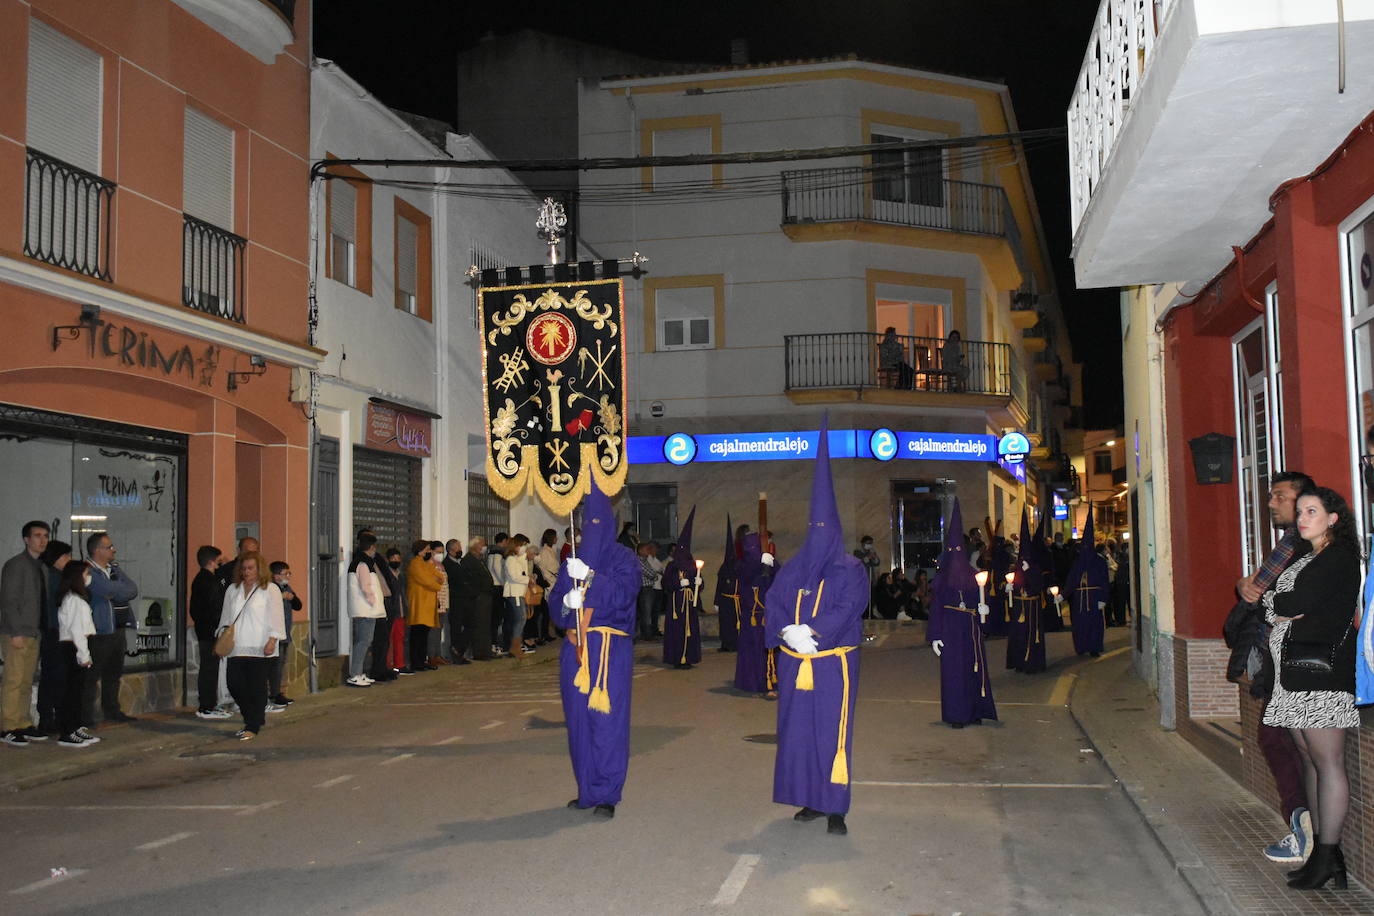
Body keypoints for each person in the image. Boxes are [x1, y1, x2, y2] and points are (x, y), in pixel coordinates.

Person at [765, 418, 867, 836]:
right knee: (799, 731)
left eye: (824, 528)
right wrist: (787, 631)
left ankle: (835, 803)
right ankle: (809, 796)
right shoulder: (794, 567)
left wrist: (814, 632)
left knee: (831, 730)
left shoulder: (851, 567)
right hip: (795, 664)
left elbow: (850, 605)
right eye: (813, 528)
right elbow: (774, 600)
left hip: (832, 664)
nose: (818, 534)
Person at [1264, 485, 1362, 891]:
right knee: (1308, 760)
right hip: (1294, 676)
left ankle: (1327, 853)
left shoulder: (1338, 558)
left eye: (1312, 511)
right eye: (1300, 511)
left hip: (1320, 676)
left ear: (1333, 519)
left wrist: (1276, 602)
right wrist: (1277, 601)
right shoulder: (1311, 557)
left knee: (1327, 762)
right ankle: (1325, 857)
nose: (1302, 518)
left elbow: (1288, 603)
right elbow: (1277, 602)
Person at [1227, 471, 1315, 866]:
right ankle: (1307, 828)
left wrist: (1250, 586)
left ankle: (1305, 829)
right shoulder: (1293, 543)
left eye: (1279, 496)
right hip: (1290, 658)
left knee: (1283, 742)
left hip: (1295, 659)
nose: (1271, 503)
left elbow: (1260, 592)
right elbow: (1257, 589)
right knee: (1291, 744)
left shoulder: (1304, 544)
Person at [549, 481, 640, 818]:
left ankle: (608, 793)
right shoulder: (572, 559)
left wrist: (590, 579)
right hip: (575, 649)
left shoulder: (623, 558)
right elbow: (555, 606)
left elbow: (624, 593)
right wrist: (565, 602)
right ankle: (587, 789)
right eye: (589, 524)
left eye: (599, 525)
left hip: (608, 651)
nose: (593, 530)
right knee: (578, 723)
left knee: (607, 723)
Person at [927, 500, 997, 728]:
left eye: (958, 550)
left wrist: (983, 609)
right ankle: (956, 714)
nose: (955, 554)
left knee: (973, 668)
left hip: (970, 629)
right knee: (954, 673)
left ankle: (975, 710)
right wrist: (935, 636)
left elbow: (980, 598)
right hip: (950, 630)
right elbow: (936, 608)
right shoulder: (941, 580)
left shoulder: (972, 575)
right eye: (951, 550)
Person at [217, 551, 285, 741]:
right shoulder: (233, 589)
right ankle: (253, 717)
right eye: (244, 568)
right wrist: (222, 638)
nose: (246, 572)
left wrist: (272, 640)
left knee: (256, 687)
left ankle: (252, 725)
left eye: (251, 568)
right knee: (234, 684)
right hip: (237, 645)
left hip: (259, 644)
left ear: (259, 568)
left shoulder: (270, 589)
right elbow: (226, 617)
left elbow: (277, 617)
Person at [1, 520, 51, 746]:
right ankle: (8, 725)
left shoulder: (39, 567)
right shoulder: (16, 565)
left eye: (45, 536)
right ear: (26, 539)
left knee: (26, 680)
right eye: (38, 536)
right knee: (13, 679)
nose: (42, 540)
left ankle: (22, 722)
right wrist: (15, 631)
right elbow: (9, 601)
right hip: (17, 632)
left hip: (34, 632)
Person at [84, 531, 139, 726]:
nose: (113, 550)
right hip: (100, 630)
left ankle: (112, 710)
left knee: (113, 674)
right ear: (97, 550)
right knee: (92, 675)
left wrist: (113, 590)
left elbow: (132, 589)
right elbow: (104, 590)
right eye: (109, 547)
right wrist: (116, 590)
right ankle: (85, 716)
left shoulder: (113, 568)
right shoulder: (88, 571)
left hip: (119, 628)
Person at [54, 558, 99, 747]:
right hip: (73, 647)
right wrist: (84, 656)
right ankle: (67, 731)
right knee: (71, 692)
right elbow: (77, 631)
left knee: (77, 690)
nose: (88, 578)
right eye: (86, 574)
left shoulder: (77, 599)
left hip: (75, 646)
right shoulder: (74, 600)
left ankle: (74, 727)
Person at [36, 539, 73, 735]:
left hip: (58, 631)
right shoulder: (51, 576)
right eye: (66, 556)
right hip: (54, 631)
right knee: (54, 677)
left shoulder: (57, 575)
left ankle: (52, 717)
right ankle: (49, 718)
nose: (69, 559)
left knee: (55, 677)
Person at [190, 545, 231, 719]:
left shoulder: (201, 578)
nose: (220, 564)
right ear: (212, 561)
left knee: (210, 668)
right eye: (218, 561)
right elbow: (215, 607)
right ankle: (207, 706)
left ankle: (209, 704)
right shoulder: (208, 581)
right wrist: (219, 628)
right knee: (209, 669)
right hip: (210, 631)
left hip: (205, 629)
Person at [733, 533, 775, 695]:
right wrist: (761, 563)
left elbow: (778, 579)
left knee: (768, 651)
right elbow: (748, 576)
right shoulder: (742, 565)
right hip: (752, 617)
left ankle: (770, 681)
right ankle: (753, 682)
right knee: (753, 652)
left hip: (767, 615)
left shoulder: (769, 562)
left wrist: (772, 565)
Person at [1005, 511, 1047, 674]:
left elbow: (1037, 586)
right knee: (1018, 634)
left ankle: (1032, 662)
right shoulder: (1015, 568)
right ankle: (1019, 661)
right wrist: (1008, 587)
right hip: (1018, 607)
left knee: (1031, 634)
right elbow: (1012, 584)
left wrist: (1029, 572)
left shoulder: (1034, 567)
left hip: (1031, 608)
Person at [661, 508, 703, 669]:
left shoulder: (693, 566)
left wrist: (698, 582)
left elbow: (699, 584)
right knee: (677, 631)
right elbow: (666, 584)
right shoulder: (672, 566)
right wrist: (679, 584)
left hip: (689, 605)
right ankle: (677, 658)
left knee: (690, 629)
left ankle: (689, 657)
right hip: (676, 605)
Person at [1067, 511, 1110, 658]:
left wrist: (1103, 599)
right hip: (1080, 599)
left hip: (1094, 598)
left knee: (1094, 624)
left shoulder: (1100, 562)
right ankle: (1081, 647)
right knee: (1080, 625)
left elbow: (1105, 581)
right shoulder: (1078, 563)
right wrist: (1062, 595)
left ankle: (1094, 647)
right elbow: (1072, 580)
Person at [345, 534, 386, 687]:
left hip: (366, 609)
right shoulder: (363, 564)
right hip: (366, 609)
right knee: (363, 641)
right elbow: (365, 586)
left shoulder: (361, 562)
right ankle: (355, 674)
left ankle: (359, 672)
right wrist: (372, 601)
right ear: (371, 547)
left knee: (364, 641)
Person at [455, 537, 497, 661]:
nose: (484, 547)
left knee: (485, 625)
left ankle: (486, 650)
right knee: (479, 625)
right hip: (478, 597)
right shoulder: (468, 560)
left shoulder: (480, 559)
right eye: (482, 545)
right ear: (475, 546)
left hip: (486, 596)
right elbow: (470, 580)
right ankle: (479, 652)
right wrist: (477, 592)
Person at [267, 561, 300, 709]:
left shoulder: (287, 588)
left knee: (281, 665)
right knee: (274, 666)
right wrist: (280, 596)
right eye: (285, 573)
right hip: (274, 634)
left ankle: (278, 692)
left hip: (285, 632)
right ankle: (273, 694)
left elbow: (299, 605)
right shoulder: (270, 588)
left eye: (289, 573)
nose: (288, 576)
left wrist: (292, 598)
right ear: (276, 576)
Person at [406, 539, 443, 672]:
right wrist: (437, 585)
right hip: (419, 603)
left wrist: (435, 581)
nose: (429, 552)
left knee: (424, 635)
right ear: (420, 550)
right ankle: (416, 662)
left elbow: (439, 576)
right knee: (417, 634)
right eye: (427, 549)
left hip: (427, 604)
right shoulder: (415, 564)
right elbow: (428, 581)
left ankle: (422, 660)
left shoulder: (425, 564)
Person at [375, 547, 409, 678]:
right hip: (390, 610)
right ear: (388, 560)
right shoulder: (386, 575)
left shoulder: (401, 575)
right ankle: (388, 665)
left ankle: (399, 664)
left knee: (399, 639)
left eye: (398, 558)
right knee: (388, 639)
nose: (396, 561)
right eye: (393, 558)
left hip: (400, 611)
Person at [501, 534, 532, 656]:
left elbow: (523, 571)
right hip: (514, 593)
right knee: (520, 619)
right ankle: (515, 647)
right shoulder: (510, 559)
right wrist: (528, 579)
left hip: (520, 593)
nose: (524, 548)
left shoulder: (518, 559)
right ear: (516, 546)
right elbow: (515, 576)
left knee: (521, 619)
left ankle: (516, 646)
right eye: (523, 545)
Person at [713, 515, 740, 652]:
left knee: (737, 624)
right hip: (726, 600)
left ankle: (736, 643)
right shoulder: (724, 568)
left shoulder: (741, 566)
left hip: (737, 600)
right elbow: (720, 584)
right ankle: (726, 644)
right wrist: (716, 601)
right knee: (725, 624)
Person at [443, 540, 469, 665]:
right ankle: (456, 653)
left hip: (465, 599)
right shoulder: (446, 564)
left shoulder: (461, 562)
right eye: (458, 548)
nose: (460, 550)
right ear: (450, 550)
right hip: (455, 600)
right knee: (456, 627)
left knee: (470, 624)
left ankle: (460, 649)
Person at [535, 529, 561, 643]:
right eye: (555, 537)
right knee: (546, 611)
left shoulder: (551, 550)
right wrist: (550, 580)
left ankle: (549, 632)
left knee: (551, 610)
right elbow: (543, 568)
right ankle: (543, 633)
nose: (556, 539)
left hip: (554, 580)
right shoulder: (544, 551)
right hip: (549, 582)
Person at [636, 542, 660, 642]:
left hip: (648, 588)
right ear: (640, 550)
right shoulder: (639, 561)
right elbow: (651, 573)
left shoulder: (645, 561)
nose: (649, 551)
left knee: (647, 612)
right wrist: (655, 575)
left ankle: (646, 633)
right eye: (647, 549)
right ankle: (647, 635)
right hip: (645, 589)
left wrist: (655, 575)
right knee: (646, 613)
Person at [853, 535, 880, 618]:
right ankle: (863, 615)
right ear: (863, 543)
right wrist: (868, 557)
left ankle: (871, 614)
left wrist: (874, 557)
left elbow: (877, 562)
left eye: (871, 543)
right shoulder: (857, 552)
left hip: (870, 579)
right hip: (861, 580)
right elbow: (861, 561)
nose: (870, 545)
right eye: (868, 543)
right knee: (863, 599)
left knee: (871, 598)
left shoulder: (871, 552)